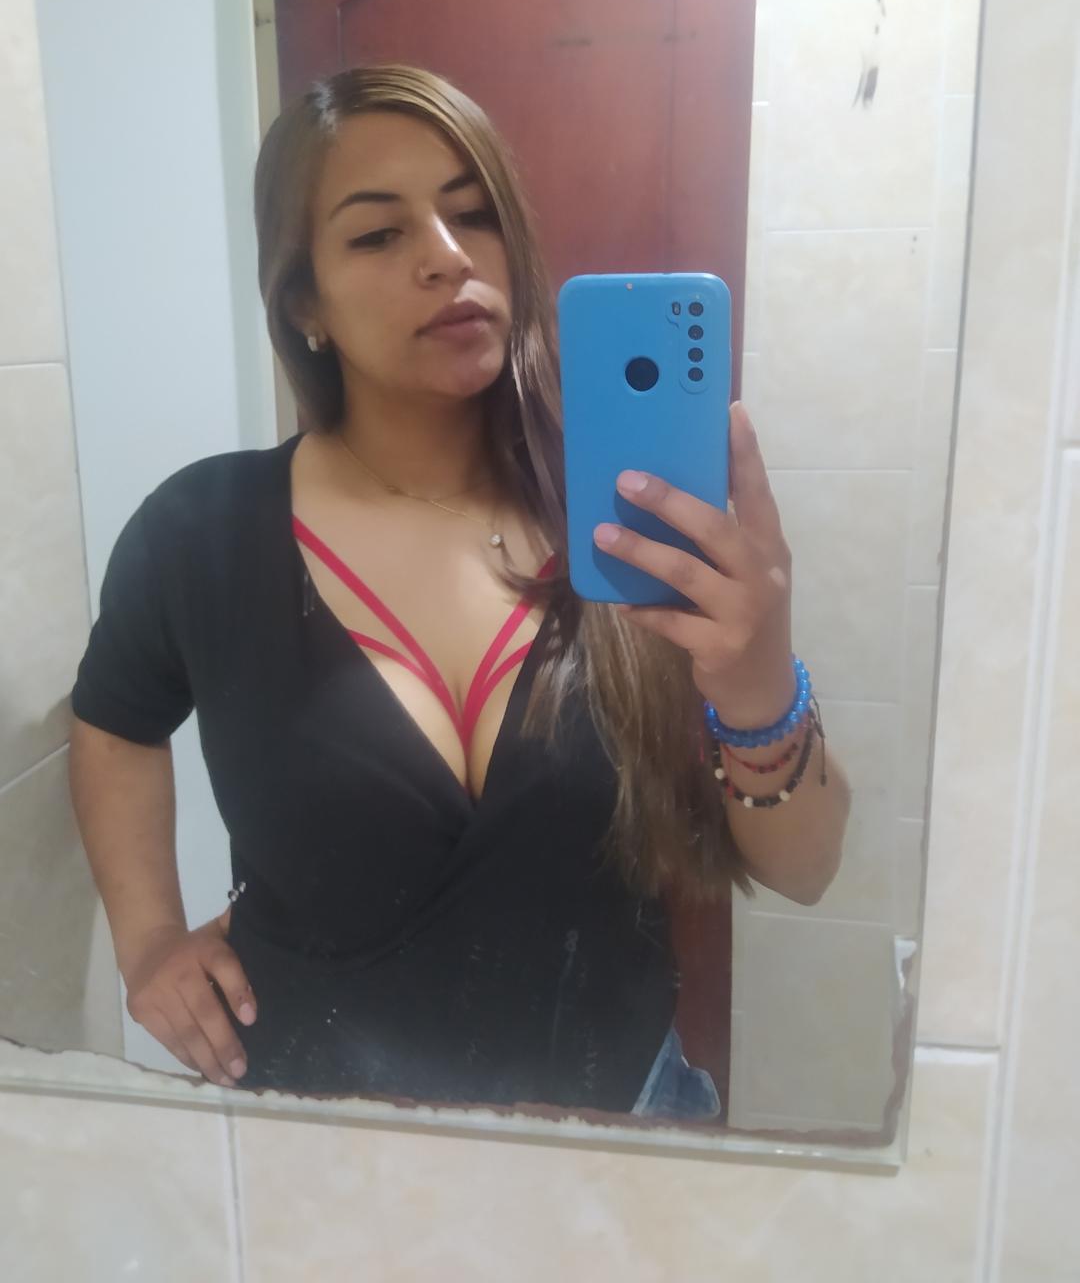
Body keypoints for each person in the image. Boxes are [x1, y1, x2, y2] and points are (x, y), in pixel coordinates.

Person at [68, 65, 850, 1121]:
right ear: (303, 303)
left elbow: (807, 869)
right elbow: (114, 722)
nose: (447, 256)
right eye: (378, 234)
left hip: (623, 1138)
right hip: (321, 1150)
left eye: (473, 216)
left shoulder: (629, 519)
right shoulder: (198, 534)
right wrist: (149, 938)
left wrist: (759, 687)